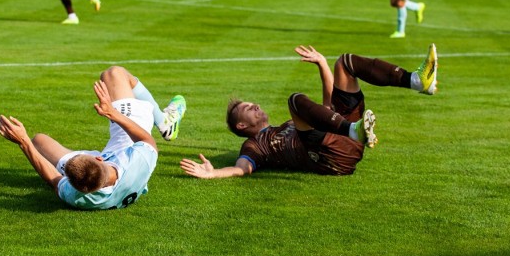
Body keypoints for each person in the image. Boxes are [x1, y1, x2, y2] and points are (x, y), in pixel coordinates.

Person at [180, 43, 438, 179]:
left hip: (343, 137)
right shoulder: (255, 145)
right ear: (241, 126)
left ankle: (417, 81)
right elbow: (241, 168)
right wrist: (213, 173)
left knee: (344, 63)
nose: (255, 105)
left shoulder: (284, 126)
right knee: (295, 101)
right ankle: (354, 131)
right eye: (248, 108)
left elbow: (329, 108)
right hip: (332, 159)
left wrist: (323, 65)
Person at [0, 65, 187, 210]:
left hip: (109, 167)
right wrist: (113, 114)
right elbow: (147, 140)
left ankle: (31, 143)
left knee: (38, 141)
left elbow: (55, 182)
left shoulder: (78, 195)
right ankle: (166, 124)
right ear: (98, 158)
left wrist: (24, 142)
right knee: (113, 73)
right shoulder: (139, 160)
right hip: (127, 142)